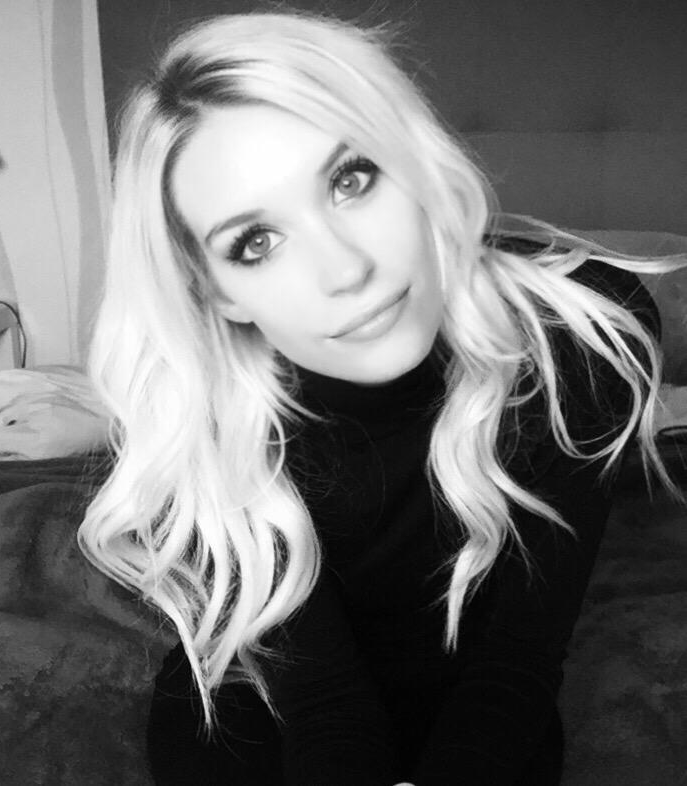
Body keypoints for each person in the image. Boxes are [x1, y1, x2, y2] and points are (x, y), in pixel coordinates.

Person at [77, 10, 686, 786]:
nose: (345, 270)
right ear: (219, 292)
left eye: (350, 179)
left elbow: (518, 663)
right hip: (264, 712)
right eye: (256, 242)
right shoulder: (193, 412)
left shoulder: (585, 335)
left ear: (414, 161)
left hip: (484, 716)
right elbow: (322, 704)